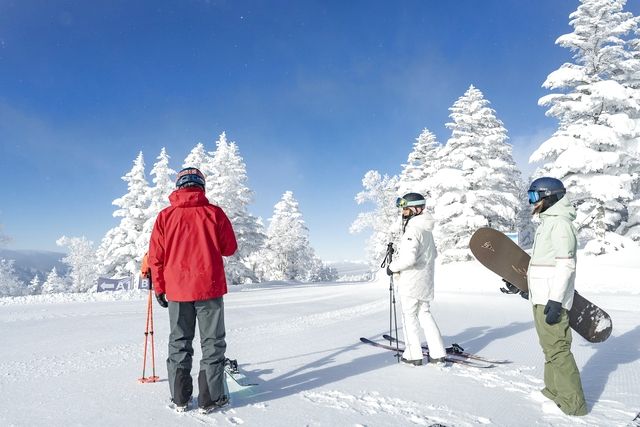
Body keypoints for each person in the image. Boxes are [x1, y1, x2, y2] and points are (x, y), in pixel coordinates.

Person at [148, 167, 238, 413]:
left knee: (179, 342)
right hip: (209, 289)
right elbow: (229, 248)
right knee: (212, 342)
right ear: (201, 186)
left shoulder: (165, 216)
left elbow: (156, 257)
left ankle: (180, 398)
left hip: (178, 291)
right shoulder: (214, 213)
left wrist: (160, 288)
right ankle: (210, 399)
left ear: (179, 186)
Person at [506, 177, 587, 416]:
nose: (532, 202)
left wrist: (555, 300)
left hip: (552, 300)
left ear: (549, 197)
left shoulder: (560, 224)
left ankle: (573, 404)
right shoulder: (548, 223)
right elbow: (544, 265)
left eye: (534, 196)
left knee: (558, 349)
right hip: (543, 297)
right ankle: (553, 391)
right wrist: (527, 288)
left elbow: (565, 265)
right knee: (549, 347)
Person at [386, 192, 448, 366]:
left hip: (411, 283)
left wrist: (392, 267)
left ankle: (413, 355)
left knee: (409, 317)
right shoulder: (426, 230)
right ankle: (438, 353)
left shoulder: (413, 230)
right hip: (425, 281)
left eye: (406, 208)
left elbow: (409, 259)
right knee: (425, 315)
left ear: (416, 209)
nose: (403, 212)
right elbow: (433, 254)